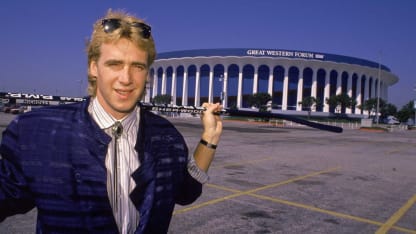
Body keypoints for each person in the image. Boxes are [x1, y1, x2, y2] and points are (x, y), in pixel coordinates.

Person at [0, 9, 223, 234]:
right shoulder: (37, 135)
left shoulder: (167, 138)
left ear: (147, 73)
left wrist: (209, 139)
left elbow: (186, 192)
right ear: (93, 67)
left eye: (137, 66)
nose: (126, 79)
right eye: (114, 64)